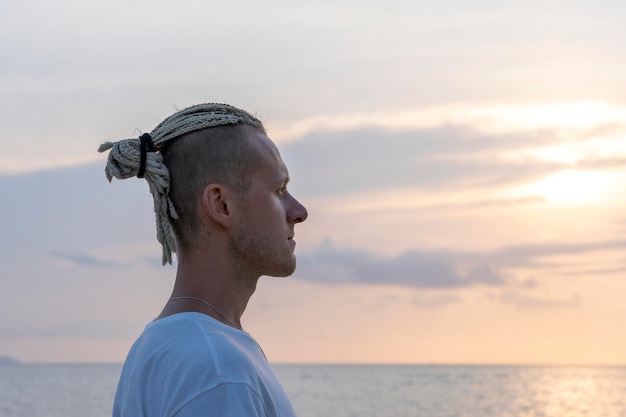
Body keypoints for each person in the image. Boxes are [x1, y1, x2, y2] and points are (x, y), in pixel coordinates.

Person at [98, 103, 308, 417]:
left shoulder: (157, 347)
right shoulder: (218, 369)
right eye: (279, 190)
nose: (299, 211)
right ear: (221, 204)